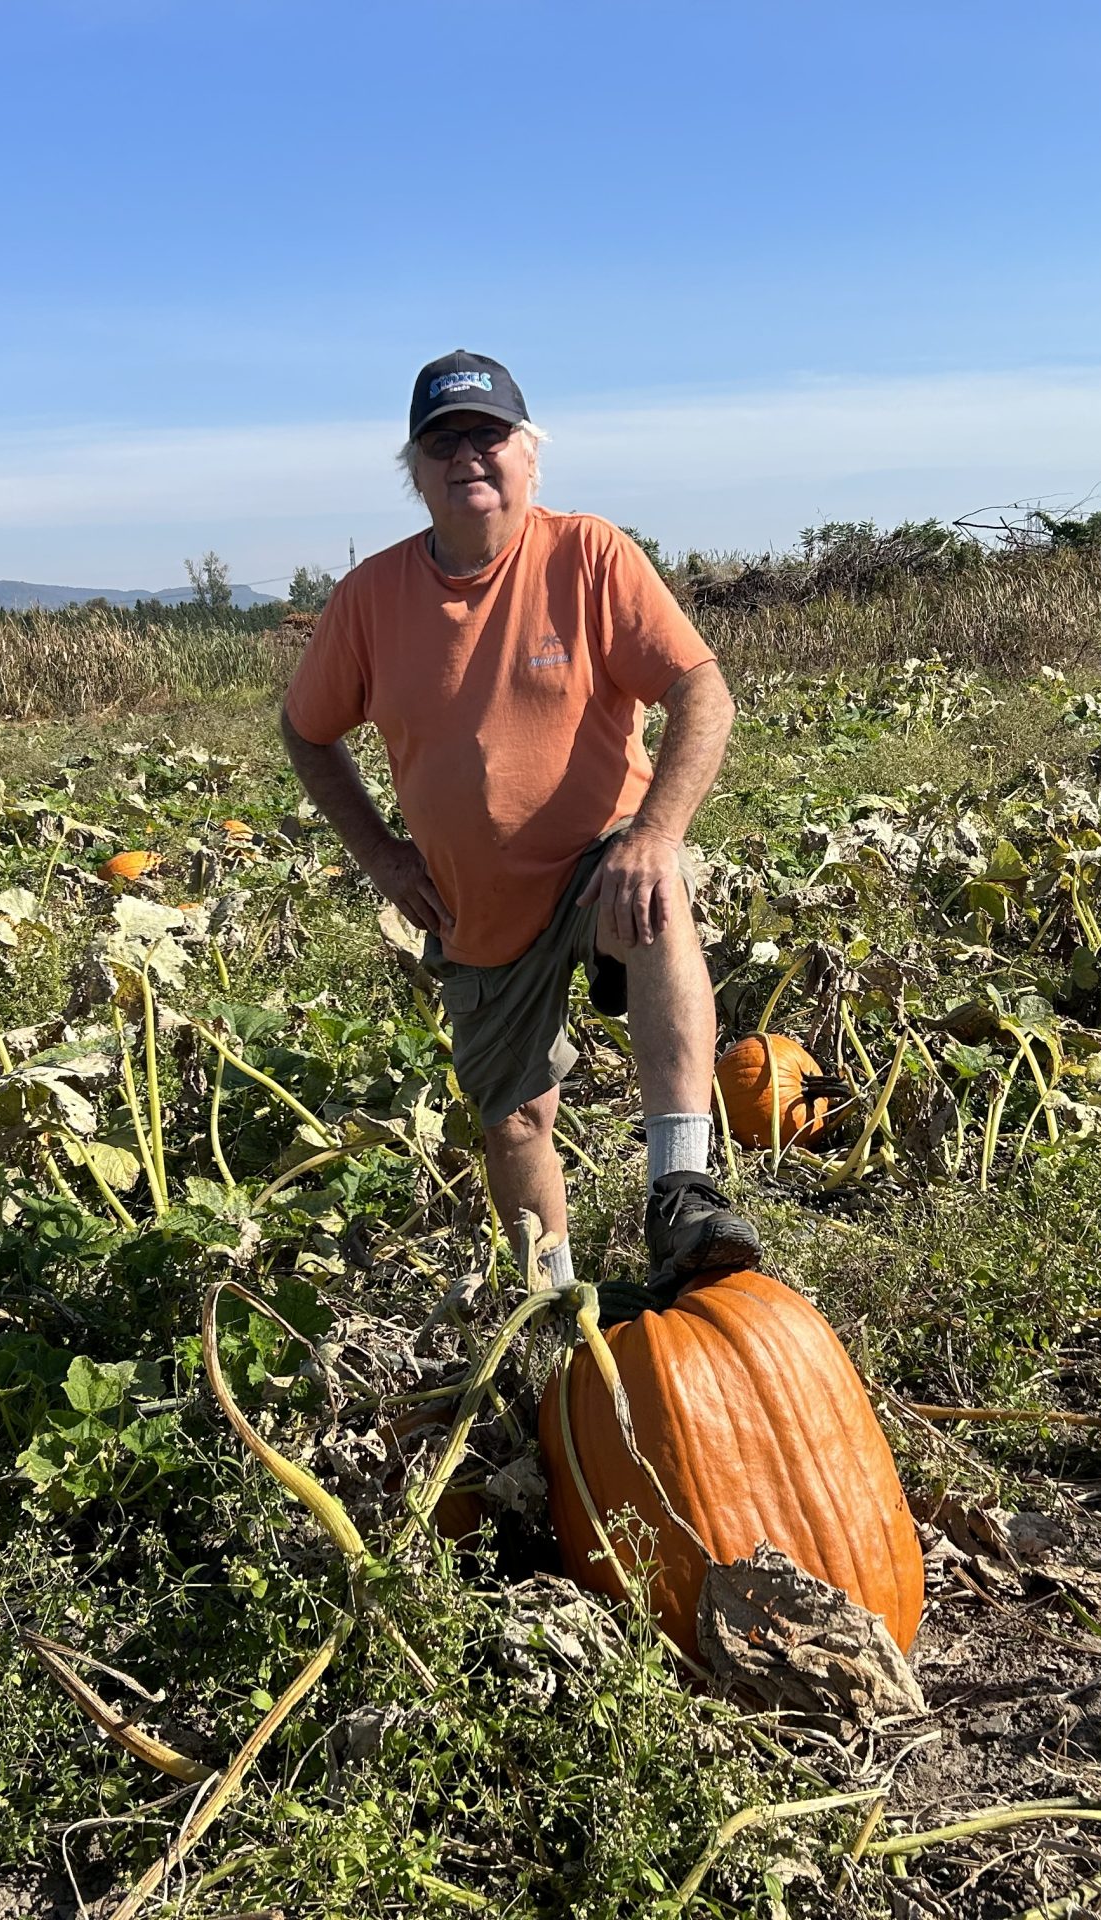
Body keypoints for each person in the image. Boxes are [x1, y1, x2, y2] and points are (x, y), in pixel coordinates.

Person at [279, 349, 760, 1295]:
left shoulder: (588, 555)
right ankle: (551, 1294)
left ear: (528, 456)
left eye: (489, 435)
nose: (469, 457)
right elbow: (306, 733)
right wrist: (380, 853)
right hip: (477, 909)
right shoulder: (369, 601)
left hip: (596, 862)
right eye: (443, 441)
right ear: (414, 473)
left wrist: (656, 832)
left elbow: (702, 692)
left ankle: (680, 1187)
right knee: (514, 1121)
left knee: (653, 888)